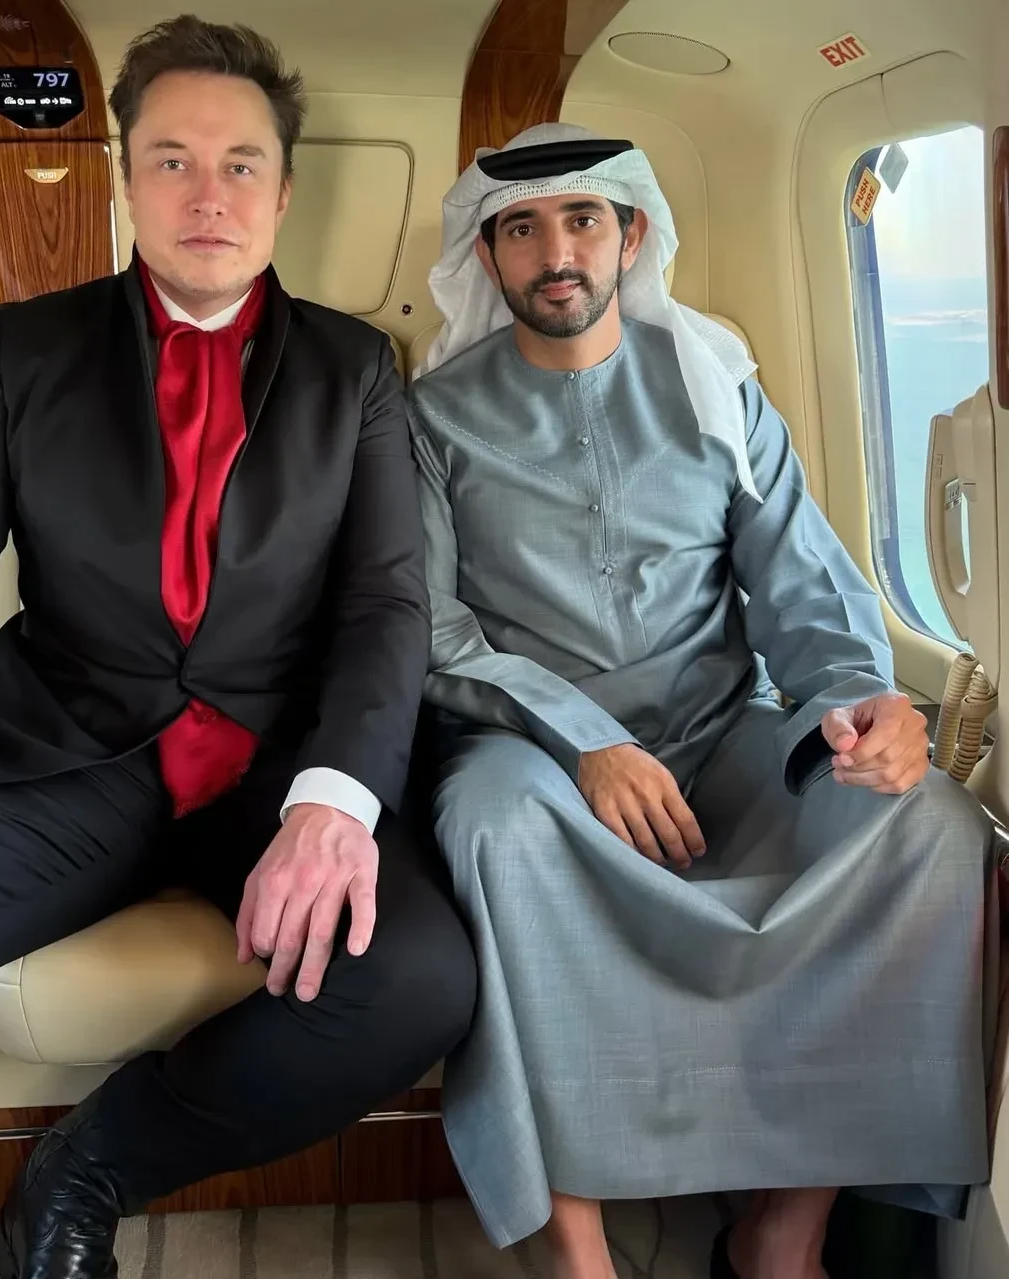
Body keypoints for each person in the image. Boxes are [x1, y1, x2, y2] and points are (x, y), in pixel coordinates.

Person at [0, 17, 476, 1279]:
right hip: (68, 762)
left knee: (417, 977)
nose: (208, 193)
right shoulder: (24, 351)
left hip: (271, 771)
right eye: (172, 159)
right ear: (128, 182)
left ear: (283, 193)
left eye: (240, 164)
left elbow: (385, 606)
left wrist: (335, 800)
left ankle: (88, 1169)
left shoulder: (356, 371)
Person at [405, 121, 991, 1279]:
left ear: (631, 236)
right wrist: (586, 742)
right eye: (521, 229)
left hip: (722, 735)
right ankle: (577, 1250)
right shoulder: (431, 419)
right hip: (530, 749)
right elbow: (429, 626)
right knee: (493, 826)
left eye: (582, 219)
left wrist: (865, 700)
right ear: (487, 256)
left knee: (928, 821)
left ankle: (784, 1235)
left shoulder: (720, 391)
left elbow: (804, 583)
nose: (555, 253)